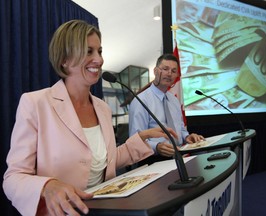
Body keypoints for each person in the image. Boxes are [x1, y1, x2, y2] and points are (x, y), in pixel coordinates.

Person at [2, 20, 177, 216]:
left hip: (104, 210)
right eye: (88, 51)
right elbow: (13, 178)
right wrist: (47, 186)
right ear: (64, 60)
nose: (99, 60)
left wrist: (141, 138)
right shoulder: (35, 104)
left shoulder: (102, 108)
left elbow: (104, 162)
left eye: (99, 51)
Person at [129, 53, 204, 163]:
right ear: (155, 71)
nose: (169, 74)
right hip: (153, 160)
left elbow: (181, 129)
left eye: (173, 71)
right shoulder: (141, 101)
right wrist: (157, 147)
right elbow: (135, 140)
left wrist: (187, 137)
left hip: (179, 156)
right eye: (165, 69)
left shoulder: (174, 100)